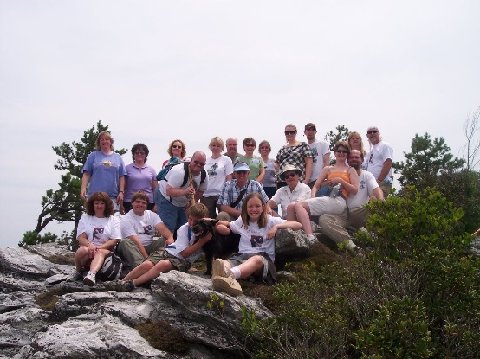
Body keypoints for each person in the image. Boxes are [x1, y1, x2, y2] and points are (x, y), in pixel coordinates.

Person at [211, 192, 302, 296]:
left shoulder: (270, 221)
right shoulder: (242, 221)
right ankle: (225, 277)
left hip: (263, 259)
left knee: (256, 260)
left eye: (257, 206)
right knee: (224, 262)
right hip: (242, 256)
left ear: (263, 207)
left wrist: (276, 227)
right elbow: (228, 224)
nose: (254, 209)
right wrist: (212, 222)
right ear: (245, 208)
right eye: (250, 206)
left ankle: (229, 277)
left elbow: (298, 225)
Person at [119, 203, 212, 290]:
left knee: (163, 264)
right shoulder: (184, 229)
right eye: (190, 219)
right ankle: (122, 282)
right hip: (170, 251)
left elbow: (184, 257)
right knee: (146, 264)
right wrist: (202, 241)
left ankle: (134, 283)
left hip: (182, 261)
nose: (191, 223)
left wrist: (211, 222)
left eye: (196, 221)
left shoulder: (209, 229)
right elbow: (184, 253)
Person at [293, 141, 359, 243]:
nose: (341, 153)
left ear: (347, 154)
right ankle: (349, 243)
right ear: (335, 152)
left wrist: (341, 181)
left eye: (344, 151)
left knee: (299, 206)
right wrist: (313, 197)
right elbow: (316, 186)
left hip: (339, 199)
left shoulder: (350, 170)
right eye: (339, 151)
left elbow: (355, 190)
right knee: (293, 207)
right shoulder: (328, 169)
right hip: (327, 198)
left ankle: (310, 237)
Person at [319, 150, 383, 250]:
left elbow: (376, 191)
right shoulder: (339, 173)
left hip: (359, 211)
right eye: (351, 157)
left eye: (356, 157)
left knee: (377, 201)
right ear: (347, 159)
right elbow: (321, 186)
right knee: (324, 219)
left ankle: (376, 240)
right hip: (342, 213)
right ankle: (351, 246)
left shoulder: (366, 175)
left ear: (362, 160)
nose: (354, 159)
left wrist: (381, 201)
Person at [117, 192, 174, 272]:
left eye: (143, 203)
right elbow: (136, 241)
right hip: (135, 248)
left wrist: (170, 239)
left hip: (149, 246)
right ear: (132, 203)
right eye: (137, 202)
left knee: (163, 239)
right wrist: (146, 258)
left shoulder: (151, 215)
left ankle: (162, 263)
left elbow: (164, 230)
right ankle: (142, 267)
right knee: (125, 243)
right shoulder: (126, 219)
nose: (140, 204)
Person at [73, 192, 121, 286]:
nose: (99, 206)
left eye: (102, 203)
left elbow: (115, 240)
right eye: (97, 203)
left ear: (106, 205)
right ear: (92, 204)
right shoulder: (85, 218)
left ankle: (91, 275)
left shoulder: (113, 219)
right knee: (81, 250)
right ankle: (78, 271)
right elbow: (81, 238)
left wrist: (100, 247)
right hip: (89, 250)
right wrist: (90, 245)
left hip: (106, 252)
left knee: (101, 252)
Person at [156, 151, 209, 236]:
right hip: (167, 199)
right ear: (191, 160)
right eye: (196, 162)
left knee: (184, 227)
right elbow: (168, 191)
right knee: (169, 227)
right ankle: (166, 247)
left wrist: (190, 204)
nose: (198, 165)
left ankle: (180, 247)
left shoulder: (204, 175)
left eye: (201, 164)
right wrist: (185, 192)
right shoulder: (179, 171)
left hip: (182, 203)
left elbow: (200, 191)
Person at [80, 131, 126, 211]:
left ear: (111, 142)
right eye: (102, 140)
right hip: (95, 197)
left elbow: (122, 176)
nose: (104, 141)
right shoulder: (93, 155)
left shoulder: (117, 157)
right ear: (99, 142)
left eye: (107, 139)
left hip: (112, 197)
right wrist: (83, 188)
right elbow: (86, 173)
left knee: (112, 221)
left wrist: (121, 192)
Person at [201, 137, 233, 218]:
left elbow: (229, 178)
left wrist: (226, 193)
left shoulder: (226, 160)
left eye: (218, 146)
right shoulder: (206, 161)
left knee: (223, 219)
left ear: (222, 148)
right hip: (206, 195)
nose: (215, 148)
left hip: (220, 194)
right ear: (210, 146)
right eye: (213, 145)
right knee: (207, 220)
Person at [275, 124, 313, 188]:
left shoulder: (303, 145)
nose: (289, 134)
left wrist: (306, 180)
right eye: (287, 133)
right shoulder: (282, 149)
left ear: (295, 133)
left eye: (292, 132)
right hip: (283, 181)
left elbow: (309, 163)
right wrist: (279, 172)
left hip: (297, 180)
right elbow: (277, 163)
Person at [123, 143, 157, 213]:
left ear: (146, 155)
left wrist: (156, 204)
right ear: (133, 154)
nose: (139, 154)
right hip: (130, 202)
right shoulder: (126, 168)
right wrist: (121, 204)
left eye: (142, 153)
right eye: (137, 153)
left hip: (148, 202)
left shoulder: (151, 170)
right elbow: (123, 186)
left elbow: (155, 189)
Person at [363, 126, 393, 197]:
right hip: (372, 184)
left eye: (374, 131)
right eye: (369, 132)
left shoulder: (384, 146)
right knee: (372, 206)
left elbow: (388, 163)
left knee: (378, 203)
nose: (372, 134)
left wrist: (379, 180)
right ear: (367, 136)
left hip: (382, 183)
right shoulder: (371, 150)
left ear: (379, 133)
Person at [304, 123, 330, 188]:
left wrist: (323, 178)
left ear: (315, 132)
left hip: (319, 179)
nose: (310, 132)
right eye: (308, 130)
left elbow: (326, 162)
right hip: (306, 181)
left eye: (312, 130)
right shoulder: (303, 147)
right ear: (305, 132)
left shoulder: (323, 144)